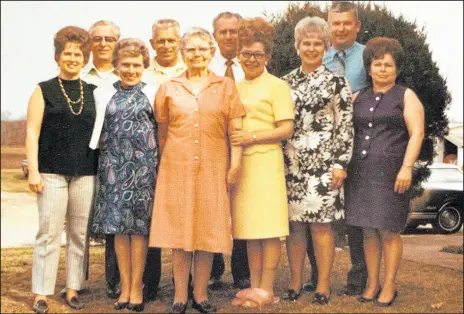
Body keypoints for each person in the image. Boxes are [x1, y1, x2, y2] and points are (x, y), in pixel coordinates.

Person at [149, 27, 245, 314]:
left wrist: (235, 165)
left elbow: (235, 130)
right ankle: (180, 295)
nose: (197, 54)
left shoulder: (226, 86)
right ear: (182, 53)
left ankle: (201, 294)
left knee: (206, 230)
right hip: (176, 168)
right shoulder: (168, 87)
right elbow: (162, 131)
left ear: (212, 52)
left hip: (213, 166)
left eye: (203, 48)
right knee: (180, 232)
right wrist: (164, 164)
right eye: (190, 49)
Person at [345, 37, 424, 306]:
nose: (382, 69)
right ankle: (371, 283)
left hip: (391, 175)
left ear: (396, 69)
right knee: (368, 230)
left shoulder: (406, 96)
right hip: (360, 174)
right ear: (368, 68)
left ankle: (389, 285)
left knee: (389, 230)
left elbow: (417, 133)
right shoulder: (358, 96)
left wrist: (407, 167)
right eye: (377, 64)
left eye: (388, 65)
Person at [281, 16, 354, 305]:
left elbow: (345, 125)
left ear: (325, 47)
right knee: (295, 225)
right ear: (297, 46)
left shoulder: (337, 82)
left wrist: (340, 163)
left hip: (326, 165)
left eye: (317, 43)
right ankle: (295, 281)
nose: (311, 48)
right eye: (305, 43)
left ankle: (323, 284)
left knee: (322, 226)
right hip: (292, 163)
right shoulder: (285, 82)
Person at [27, 26, 98, 314]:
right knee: (49, 232)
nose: (72, 58)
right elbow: (31, 133)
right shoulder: (43, 90)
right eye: (67, 53)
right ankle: (41, 293)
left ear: (85, 58)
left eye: (78, 54)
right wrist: (33, 170)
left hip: (86, 172)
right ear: (58, 56)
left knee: (80, 234)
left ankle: (72, 288)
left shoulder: (94, 92)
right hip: (51, 172)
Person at [302, 1, 370, 296]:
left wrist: (359, 98)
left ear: (357, 26)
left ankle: (359, 278)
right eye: (335, 23)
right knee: (315, 216)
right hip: (321, 152)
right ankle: (317, 277)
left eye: (347, 23)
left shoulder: (368, 56)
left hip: (362, 144)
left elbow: (386, 83)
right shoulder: (319, 55)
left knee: (356, 216)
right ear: (328, 25)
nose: (340, 28)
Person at [89, 38, 159, 312]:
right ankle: (125, 287)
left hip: (144, 168)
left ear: (144, 66)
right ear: (116, 65)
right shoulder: (103, 93)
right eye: (125, 64)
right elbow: (98, 130)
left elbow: (160, 128)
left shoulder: (153, 92)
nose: (131, 69)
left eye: (136, 65)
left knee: (139, 230)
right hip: (113, 168)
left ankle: (137, 288)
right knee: (118, 229)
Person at [229, 17, 295, 308]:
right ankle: (254, 286)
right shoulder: (234, 87)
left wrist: (252, 136)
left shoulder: (277, 86)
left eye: (258, 54)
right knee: (250, 230)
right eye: (246, 54)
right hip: (243, 166)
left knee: (269, 230)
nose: (252, 59)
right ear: (239, 56)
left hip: (266, 164)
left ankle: (266, 288)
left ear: (267, 57)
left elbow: (286, 129)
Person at [207, 11, 250, 291]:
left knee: (242, 209)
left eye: (233, 31)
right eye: (222, 31)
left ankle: (242, 271)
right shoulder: (206, 67)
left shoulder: (252, 65)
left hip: (245, 144)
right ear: (214, 35)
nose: (228, 36)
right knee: (211, 208)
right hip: (212, 146)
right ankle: (212, 270)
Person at [143, 19, 186, 85]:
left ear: (180, 43)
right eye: (161, 41)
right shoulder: (142, 72)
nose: (166, 46)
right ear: (152, 44)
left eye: (171, 41)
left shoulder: (190, 69)